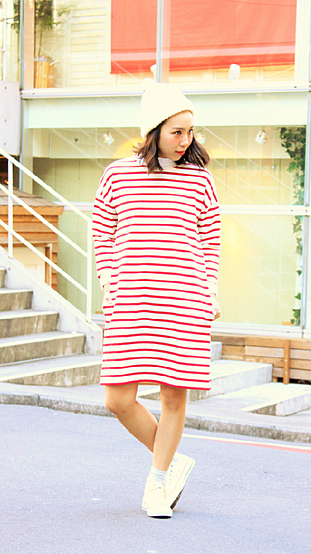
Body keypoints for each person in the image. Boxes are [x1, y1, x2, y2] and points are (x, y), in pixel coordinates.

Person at [92, 81, 221, 519]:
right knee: (117, 399)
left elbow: (210, 241)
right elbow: (102, 231)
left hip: (184, 297)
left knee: (173, 397)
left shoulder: (200, 180)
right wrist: (108, 279)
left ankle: (157, 483)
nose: (186, 141)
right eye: (176, 132)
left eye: (190, 131)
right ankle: (172, 461)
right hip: (130, 299)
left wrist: (211, 290)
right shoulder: (118, 174)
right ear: (154, 131)